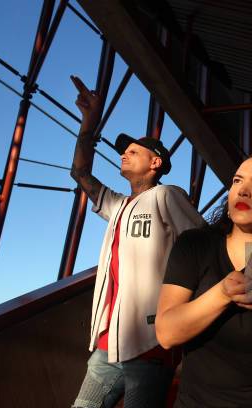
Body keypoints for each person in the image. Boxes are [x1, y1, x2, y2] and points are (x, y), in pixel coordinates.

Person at [69, 75, 205, 408]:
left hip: (151, 347)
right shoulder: (118, 205)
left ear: (155, 163)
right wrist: (89, 122)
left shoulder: (167, 196)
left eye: (133, 152)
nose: (123, 156)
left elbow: (204, 245)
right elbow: (80, 173)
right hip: (107, 345)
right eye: (123, 152)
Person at [155, 137, 252, 407]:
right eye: (237, 181)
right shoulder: (195, 244)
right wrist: (222, 293)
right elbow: (166, 334)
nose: (243, 191)